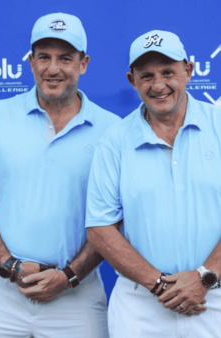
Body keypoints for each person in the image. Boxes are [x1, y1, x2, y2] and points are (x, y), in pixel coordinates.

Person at [0, 13, 120, 338]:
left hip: (76, 292)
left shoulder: (113, 130)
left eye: (65, 58)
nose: (53, 68)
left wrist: (70, 275)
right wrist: (7, 264)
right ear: (30, 61)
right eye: (44, 57)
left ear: (83, 63)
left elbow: (116, 219)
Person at [85, 30, 221, 337]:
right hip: (140, 303)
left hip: (215, 295)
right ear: (132, 81)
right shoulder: (114, 141)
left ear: (189, 70)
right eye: (146, 76)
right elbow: (100, 228)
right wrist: (159, 284)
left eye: (168, 72)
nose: (158, 85)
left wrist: (205, 276)